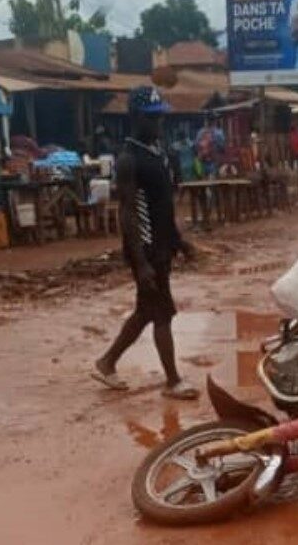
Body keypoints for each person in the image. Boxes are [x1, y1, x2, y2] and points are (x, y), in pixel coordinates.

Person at [93, 86, 198, 400]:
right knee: (161, 313)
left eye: (161, 117)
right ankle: (173, 381)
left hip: (162, 245)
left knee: (146, 312)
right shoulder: (129, 159)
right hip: (147, 249)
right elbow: (127, 214)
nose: (159, 124)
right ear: (136, 118)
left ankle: (106, 362)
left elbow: (162, 206)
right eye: (153, 119)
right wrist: (140, 263)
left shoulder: (157, 153)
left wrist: (180, 241)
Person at [195, 114, 225, 179]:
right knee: (214, 181)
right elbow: (222, 146)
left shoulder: (200, 132)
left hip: (202, 161)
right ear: (215, 121)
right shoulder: (219, 133)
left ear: (206, 121)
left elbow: (196, 146)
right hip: (214, 161)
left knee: (204, 180)